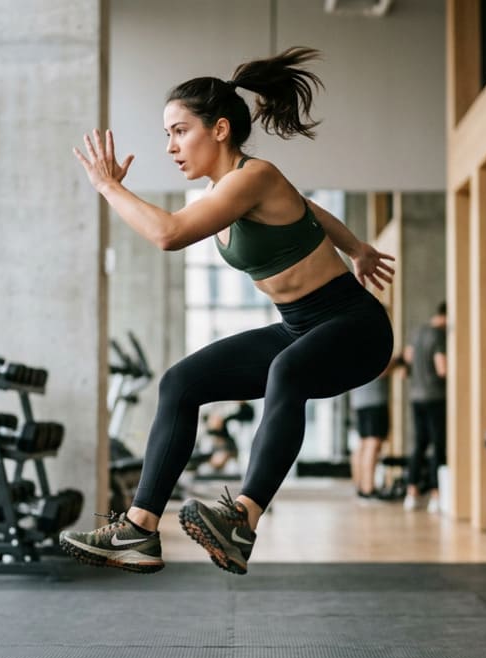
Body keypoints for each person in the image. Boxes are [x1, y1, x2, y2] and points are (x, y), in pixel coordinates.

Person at [61, 47, 395, 574]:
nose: (170, 146)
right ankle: (139, 530)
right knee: (180, 382)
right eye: (167, 134)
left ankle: (242, 520)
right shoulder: (229, 192)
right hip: (299, 326)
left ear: (219, 129)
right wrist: (356, 247)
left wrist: (109, 187)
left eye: (179, 131)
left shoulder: (254, 176)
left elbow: (168, 235)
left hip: (355, 326)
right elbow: (310, 209)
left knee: (287, 370)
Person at [403, 302, 447, 512]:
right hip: (435, 396)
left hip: (416, 396)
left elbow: (408, 359)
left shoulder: (417, 332)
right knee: (438, 444)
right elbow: (442, 368)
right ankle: (436, 494)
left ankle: (411, 492)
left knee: (419, 443)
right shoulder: (438, 335)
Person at [349, 358, 399, 499]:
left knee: (364, 443)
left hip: (359, 400)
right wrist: (396, 362)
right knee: (373, 443)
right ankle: (368, 488)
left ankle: (360, 485)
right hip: (374, 400)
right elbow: (380, 369)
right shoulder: (370, 342)